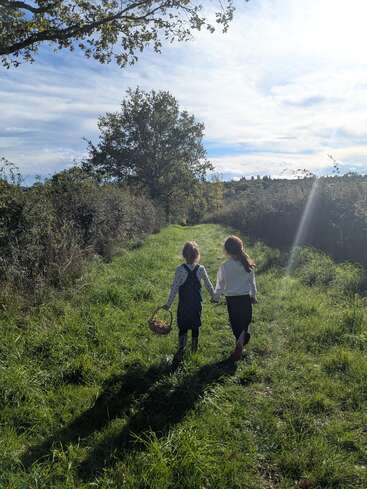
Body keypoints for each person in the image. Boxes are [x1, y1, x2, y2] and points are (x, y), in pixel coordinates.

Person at [164, 241, 216, 360]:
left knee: (183, 327)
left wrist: (168, 304)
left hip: (183, 305)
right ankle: (194, 348)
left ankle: (181, 349)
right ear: (197, 255)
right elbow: (208, 285)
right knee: (195, 326)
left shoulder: (180, 269)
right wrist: (214, 296)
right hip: (196, 304)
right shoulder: (201, 269)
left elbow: (174, 288)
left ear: (183, 255)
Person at [215, 235, 257, 361]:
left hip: (231, 300)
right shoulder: (247, 265)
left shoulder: (224, 266)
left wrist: (216, 296)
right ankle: (241, 342)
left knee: (236, 324)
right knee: (245, 322)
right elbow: (252, 283)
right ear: (241, 248)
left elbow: (220, 284)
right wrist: (253, 296)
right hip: (245, 299)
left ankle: (239, 344)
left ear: (226, 251)